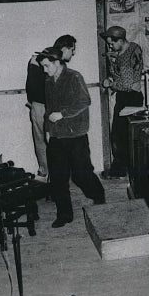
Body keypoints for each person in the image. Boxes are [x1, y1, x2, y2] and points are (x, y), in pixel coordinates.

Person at [37, 47, 105, 228]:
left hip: (75, 135)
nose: (45, 70)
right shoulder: (48, 81)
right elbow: (49, 109)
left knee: (81, 174)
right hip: (57, 136)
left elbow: (84, 101)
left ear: (57, 62)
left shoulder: (75, 77)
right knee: (58, 178)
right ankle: (64, 214)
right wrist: (46, 129)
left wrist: (63, 114)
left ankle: (98, 195)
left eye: (46, 66)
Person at [25, 34, 77, 179]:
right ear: (65, 49)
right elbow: (35, 86)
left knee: (47, 142)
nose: (73, 53)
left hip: (42, 107)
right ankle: (50, 176)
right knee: (49, 143)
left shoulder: (42, 60)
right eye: (72, 50)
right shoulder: (47, 61)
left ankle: (49, 175)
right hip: (45, 108)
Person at [100, 25, 144, 179]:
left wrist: (109, 83)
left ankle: (123, 170)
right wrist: (112, 76)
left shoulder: (127, 56)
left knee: (122, 136)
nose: (110, 46)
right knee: (121, 135)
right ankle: (124, 169)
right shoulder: (129, 49)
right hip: (126, 96)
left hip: (130, 97)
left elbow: (127, 85)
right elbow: (122, 78)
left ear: (120, 40)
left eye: (112, 43)